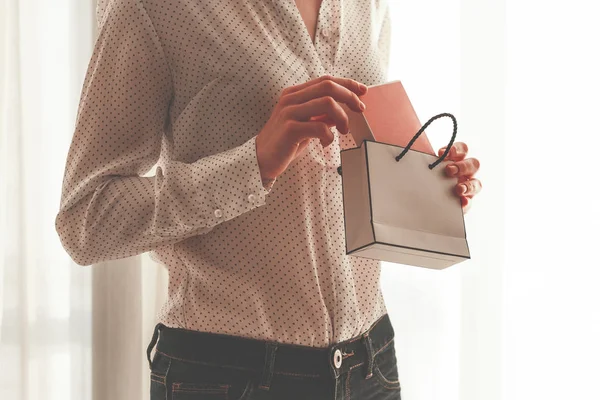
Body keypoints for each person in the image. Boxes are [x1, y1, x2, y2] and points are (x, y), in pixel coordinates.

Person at [55, 0, 482, 398]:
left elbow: (341, 169)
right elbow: (85, 221)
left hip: (371, 365)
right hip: (226, 375)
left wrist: (428, 181)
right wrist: (253, 163)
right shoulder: (154, 8)